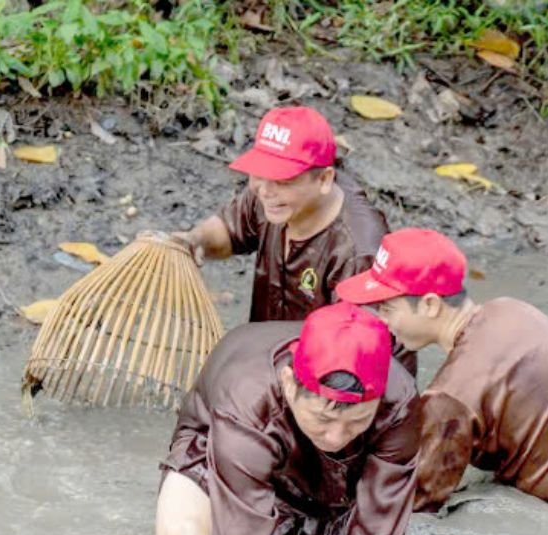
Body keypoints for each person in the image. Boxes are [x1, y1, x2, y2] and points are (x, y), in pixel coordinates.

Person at [155, 301, 420, 535]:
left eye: (357, 421)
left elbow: (379, 528)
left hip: (330, 482)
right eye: (324, 418)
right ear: (288, 382)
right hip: (227, 452)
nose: (335, 436)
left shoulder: (399, 402)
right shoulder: (247, 397)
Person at [336, 228, 548, 509]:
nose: (383, 321)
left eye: (388, 308)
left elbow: (415, 500)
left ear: (431, 305)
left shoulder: (452, 396)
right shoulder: (512, 310)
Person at [171, 105, 415, 374]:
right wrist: (195, 239)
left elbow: (353, 354)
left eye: (282, 180)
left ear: (324, 180)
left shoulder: (358, 249)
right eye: (259, 175)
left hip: (343, 382)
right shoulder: (272, 198)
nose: (264, 191)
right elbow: (230, 229)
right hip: (280, 360)